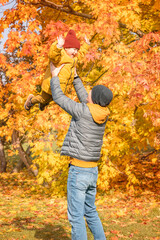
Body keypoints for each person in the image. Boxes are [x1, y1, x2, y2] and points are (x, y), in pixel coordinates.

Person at [50, 62, 113, 240]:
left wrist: (55, 77)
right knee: (90, 212)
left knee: (76, 216)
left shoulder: (83, 112)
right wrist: (76, 77)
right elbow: (86, 97)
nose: (89, 92)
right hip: (92, 171)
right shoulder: (102, 112)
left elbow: (60, 98)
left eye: (92, 91)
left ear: (96, 97)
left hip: (78, 171)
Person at [24, 29, 90, 111]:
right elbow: (53, 55)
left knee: (54, 99)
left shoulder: (74, 58)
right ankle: (31, 100)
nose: (75, 52)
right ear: (66, 48)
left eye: (77, 50)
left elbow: (82, 53)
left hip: (61, 87)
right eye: (74, 49)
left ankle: (43, 103)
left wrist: (87, 44)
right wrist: (58, 46)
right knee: (43, 98)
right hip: (50, 85)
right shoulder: (60, 56)